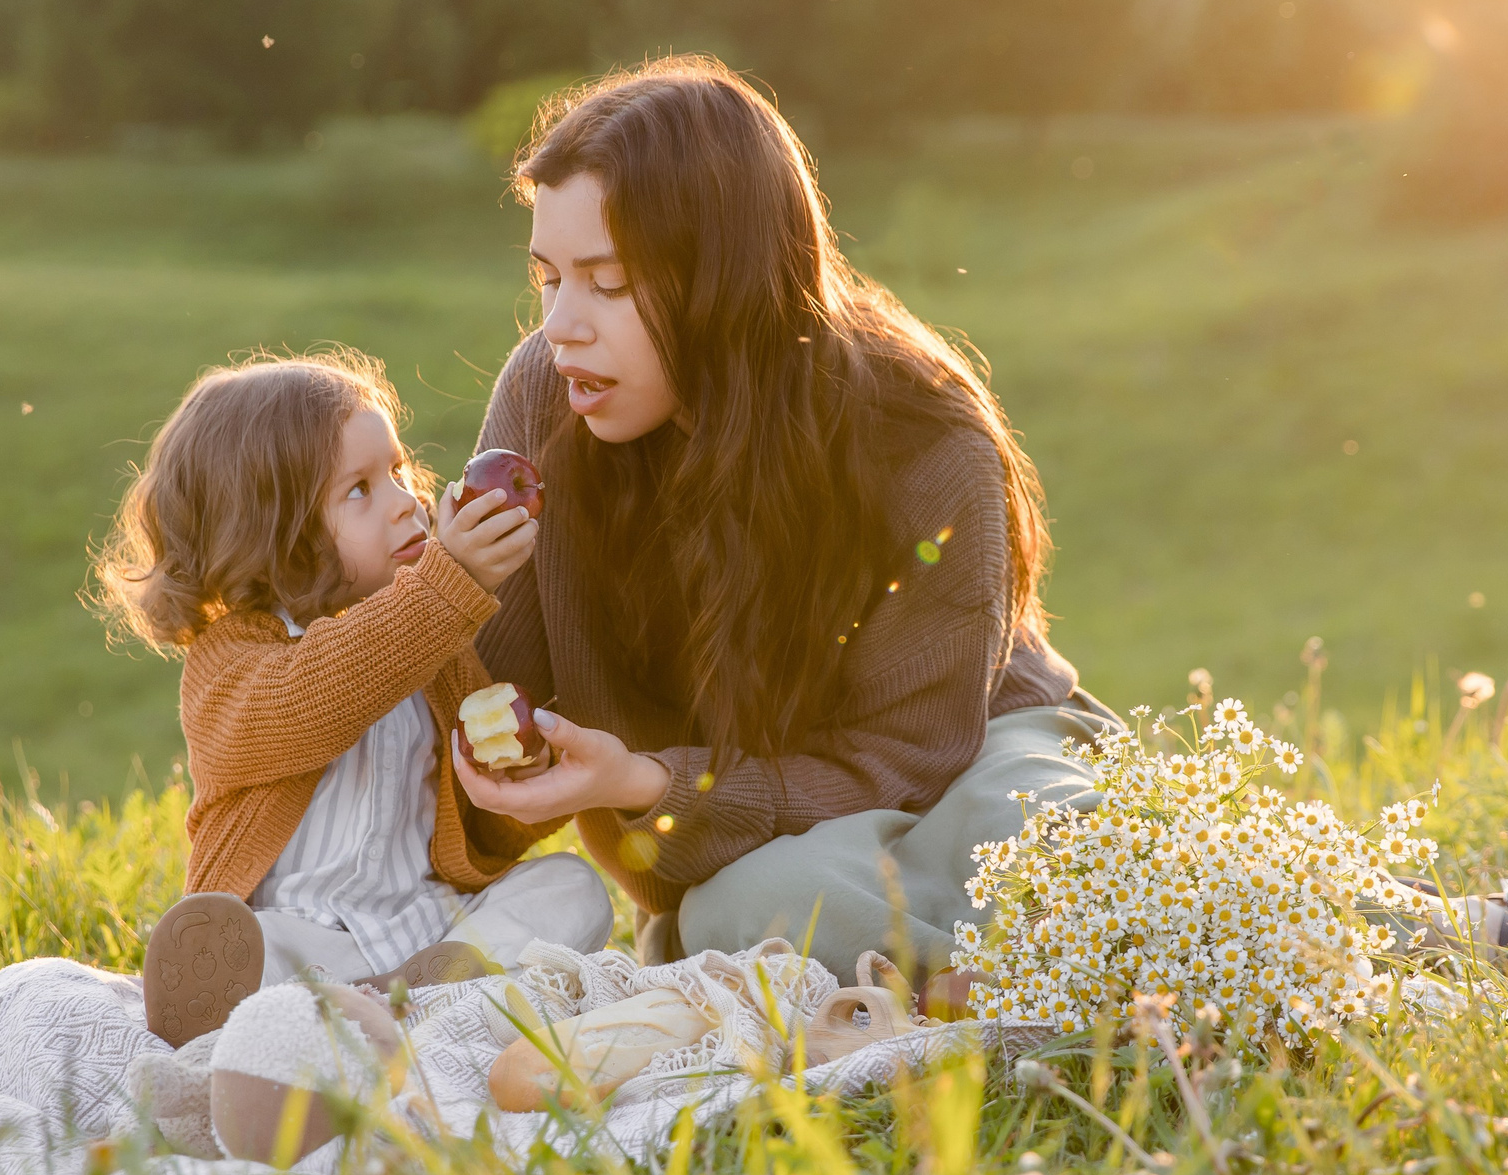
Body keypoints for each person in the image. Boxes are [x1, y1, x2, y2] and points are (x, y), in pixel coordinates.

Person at [453, 58, 1117, 993]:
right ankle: (1037, 979)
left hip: (971, 756)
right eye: (550, 277)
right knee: (751, 906)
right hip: (759, 844)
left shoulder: (924, 441)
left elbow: (908, 764)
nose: (560, 325)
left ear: (720, 283)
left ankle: (1296, 930)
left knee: (1037, 836)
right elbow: (490, 697)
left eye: (605, 283)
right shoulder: (545, 397)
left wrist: (651, 783)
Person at [93, 349, 611, 1048]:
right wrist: (445, 585)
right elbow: (311, 703)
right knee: (230, 945)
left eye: (397, 471)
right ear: (271, 534)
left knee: (570, 889)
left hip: (426, 930)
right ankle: (281, 1029)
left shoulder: (437, 641)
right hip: (301, 942)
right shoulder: (233, 660)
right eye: (360, 490)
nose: (408, 500)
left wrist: (515, 774)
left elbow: (476, 832)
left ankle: (416, 1000)